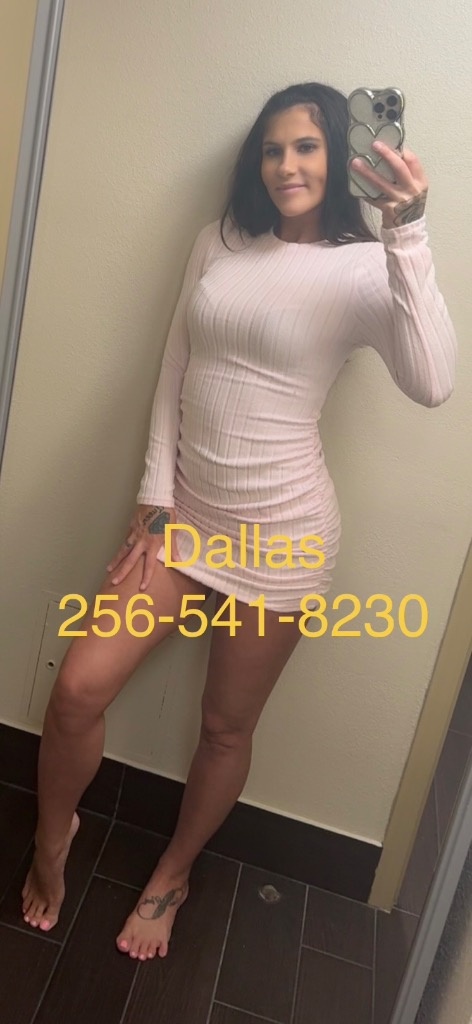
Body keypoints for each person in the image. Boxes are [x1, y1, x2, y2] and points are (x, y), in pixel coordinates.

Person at [21, 81, 457, 962]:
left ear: (340, 155)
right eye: (272, 148)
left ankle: (172, 877)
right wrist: (154, 502)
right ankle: (51, 839)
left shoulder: (365, 267)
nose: (286, 164)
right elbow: (172, 369)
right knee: (77, 691)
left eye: (307, 146)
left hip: (282, 539)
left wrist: (407, 232)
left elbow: (433, 381)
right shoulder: (219, 241)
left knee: (225, 728)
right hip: (184, 521)